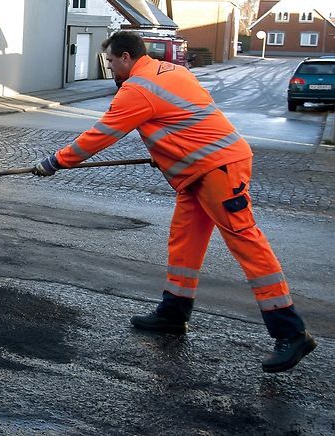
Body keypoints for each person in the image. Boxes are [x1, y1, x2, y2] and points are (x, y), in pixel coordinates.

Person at [33, 31, 316, 373]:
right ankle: (173, 313)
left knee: (246, 241)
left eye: (110, 61)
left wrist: (56, 162)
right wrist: (167, 150)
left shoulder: (137, 88)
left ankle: (291, 331)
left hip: (218, 170)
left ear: (125, 57)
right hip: (201, 172)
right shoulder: (170, 71)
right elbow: (185, 119)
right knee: (184, 243)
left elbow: (101, 135)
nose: (109, 67)